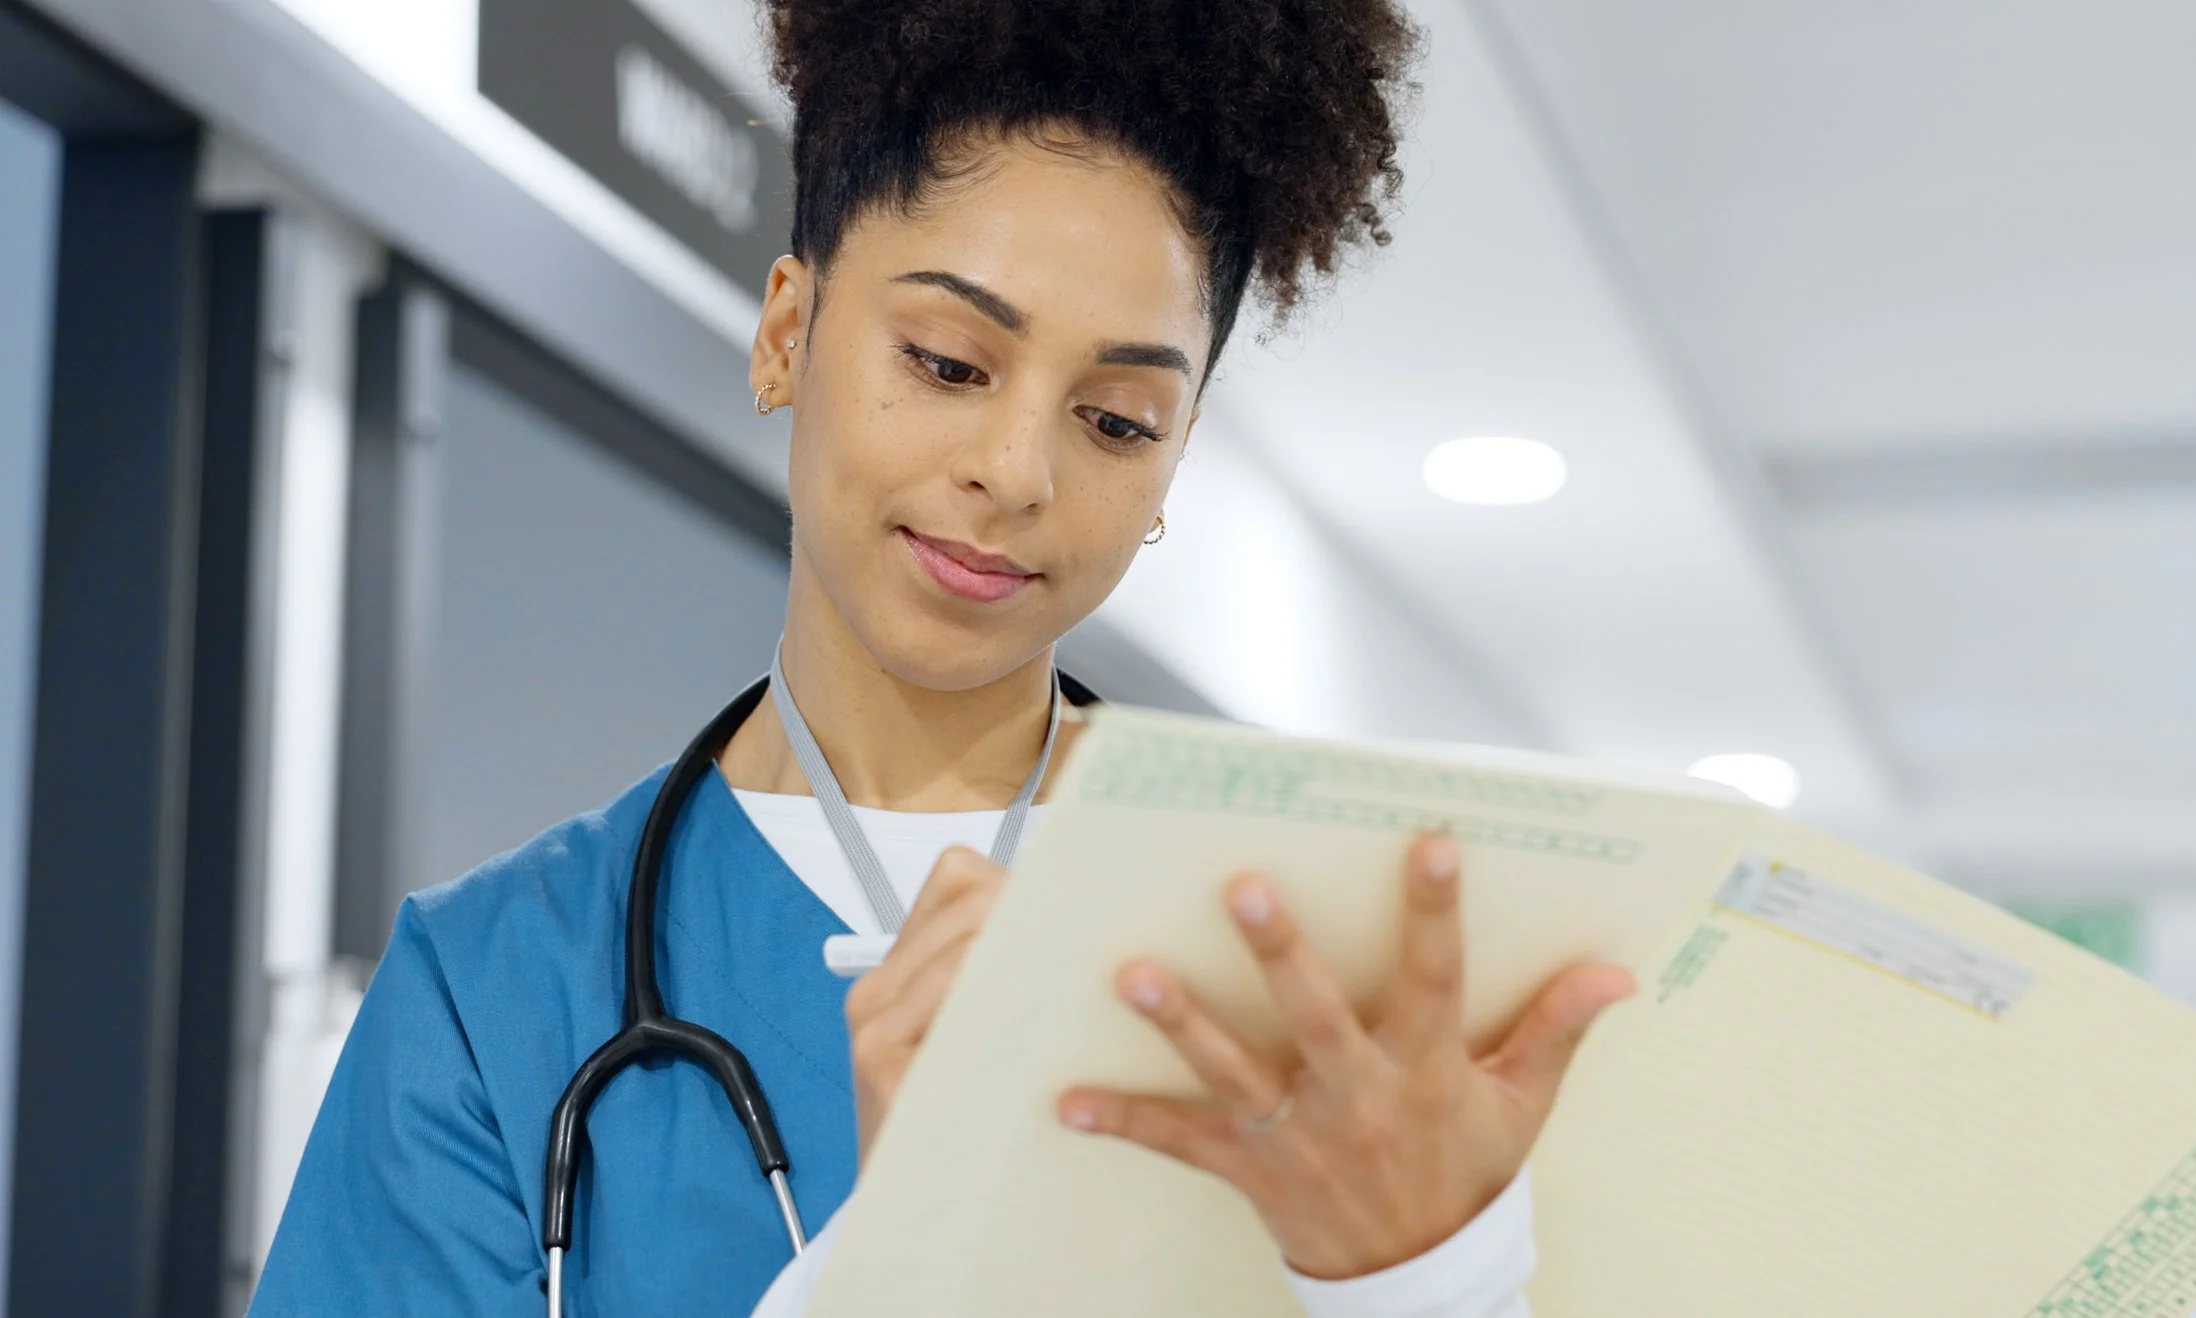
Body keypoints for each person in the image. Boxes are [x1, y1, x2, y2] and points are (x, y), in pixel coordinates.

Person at [249, 0, 1637, 1313]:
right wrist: (906, 1255)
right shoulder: (495, 991)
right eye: (950, 362)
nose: (1014, 469)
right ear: (788, 331)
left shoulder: (1323, 969)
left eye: (1115, 420)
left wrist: (1420, 1280)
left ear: (1174, 465)